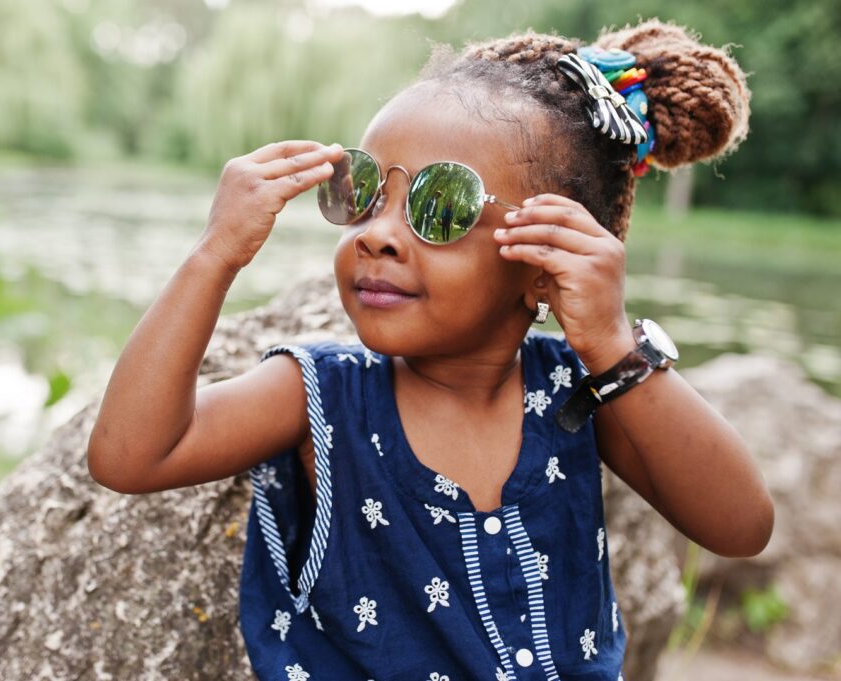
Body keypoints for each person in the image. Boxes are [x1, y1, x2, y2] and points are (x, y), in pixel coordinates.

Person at [86, 18, 773, 681]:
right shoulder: (322, 395)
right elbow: (131, 453)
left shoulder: (582, 395)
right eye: (361, 191)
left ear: (547, 260)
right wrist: (216, 253)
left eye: (439, 205)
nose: (378, 235)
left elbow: (740, 525)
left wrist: (613, 347)